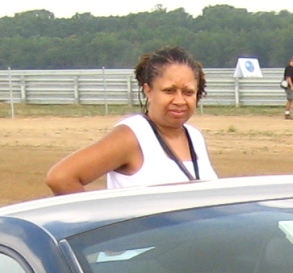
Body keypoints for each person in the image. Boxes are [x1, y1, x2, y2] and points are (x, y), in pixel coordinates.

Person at [44, 47, 217, 192]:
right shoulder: (132, 136)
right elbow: (61, 177)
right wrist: (99, 224)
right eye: (169, 91)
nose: (179, 101)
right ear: (148, 91)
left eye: (188, 92)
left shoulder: (194, 136)